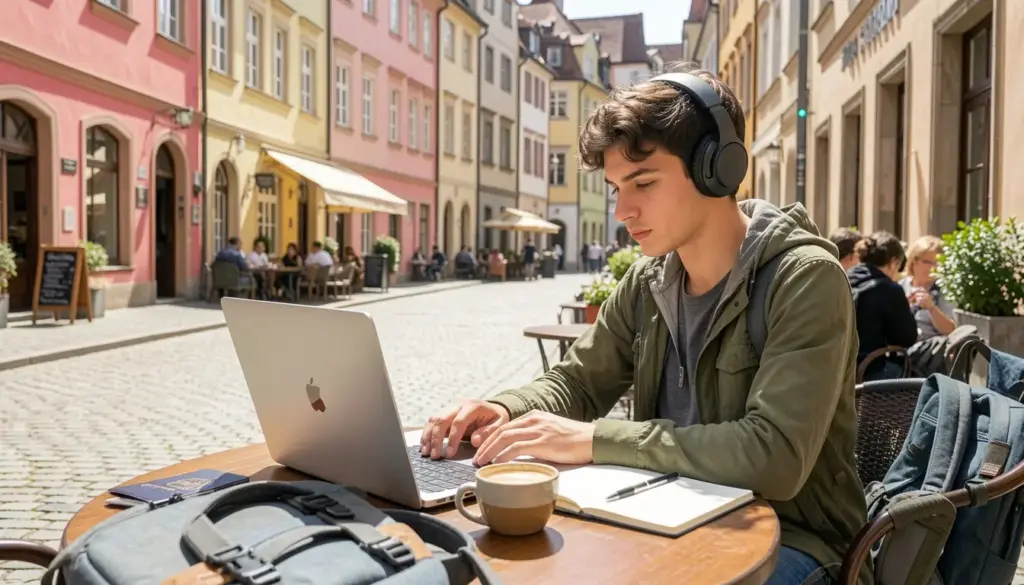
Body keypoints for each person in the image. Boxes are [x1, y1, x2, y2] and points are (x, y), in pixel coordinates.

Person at [419, 65, 869, 585]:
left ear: (717, 169)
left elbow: (774, 456)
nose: (622, 211)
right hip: (664, 520)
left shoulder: (804, 278)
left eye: (643, 182)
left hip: (796, 543)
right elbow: (578, 382)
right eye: (615, 187)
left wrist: (593, 439)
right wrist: (502, 408)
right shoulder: (649, 279)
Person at [847, 231, 918, 381]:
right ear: (893, 261)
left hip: (837, 368)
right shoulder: (889, 290)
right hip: (869, 371)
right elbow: (907, 338)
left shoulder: (844, 278)